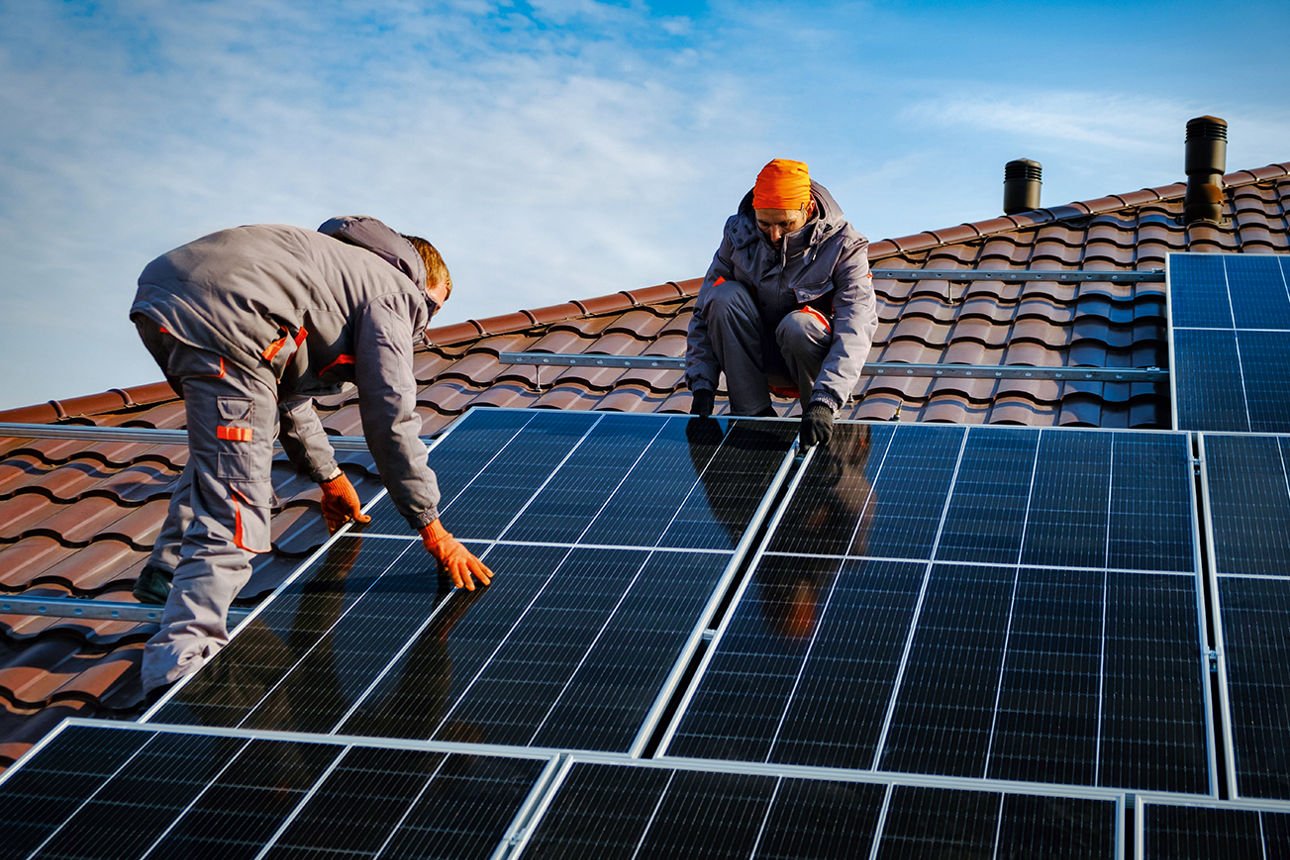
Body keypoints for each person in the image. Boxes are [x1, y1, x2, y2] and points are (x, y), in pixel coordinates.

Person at [128, 215, 492, 695]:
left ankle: (168, 570)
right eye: (431, 309)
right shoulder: (393, 291)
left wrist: (330, 478)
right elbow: (391, 416)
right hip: (234, 315)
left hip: (166, 299)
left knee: (228, 438)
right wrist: (433, 527)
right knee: (240, 496)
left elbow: (285, 399)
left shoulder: (328, 270)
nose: (424, 324)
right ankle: (180, 660)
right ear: (421, 281)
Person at [685, 159, 878, 446]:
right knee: (723, 296)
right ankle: (751, 420)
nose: (774, 235)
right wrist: (702, 386)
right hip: (756, 357)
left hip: (809, 356)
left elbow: (856, 328)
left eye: (785, 224)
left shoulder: (844, 246)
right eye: (764, 223)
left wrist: (826, 400)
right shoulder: (738, 236)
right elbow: (704, 312)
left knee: (799, 325)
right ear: (754, 213)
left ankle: (816, 418)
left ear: (809, 209)